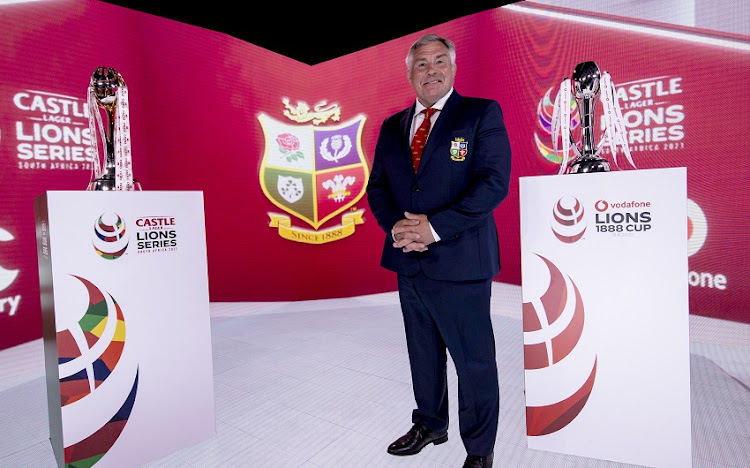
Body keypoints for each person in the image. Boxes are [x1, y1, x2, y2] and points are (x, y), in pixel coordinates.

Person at [365, 33, 512, 468]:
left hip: (461, 260)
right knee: (422, 352)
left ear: (453, 68)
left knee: (474, 361)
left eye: (439, 61)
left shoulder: (480, 114)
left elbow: (492, 183)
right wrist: (397, 228)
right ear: (409, 72)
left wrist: (434, 228)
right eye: (422, 63)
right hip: (408, 260)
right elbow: (378, 189)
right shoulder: (392, 127)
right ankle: (430, 423)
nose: (431, 69)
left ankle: (480, 450)